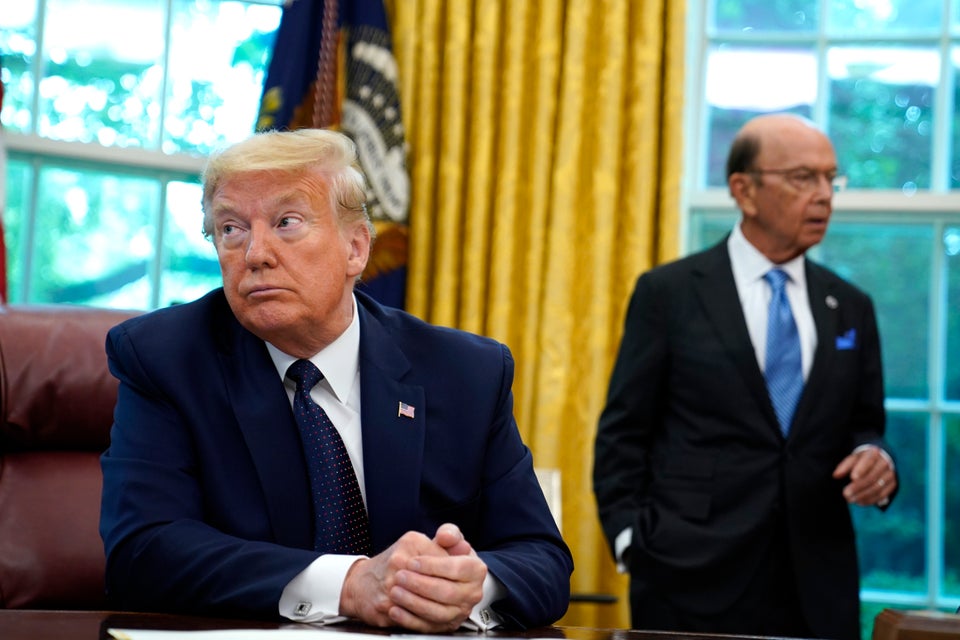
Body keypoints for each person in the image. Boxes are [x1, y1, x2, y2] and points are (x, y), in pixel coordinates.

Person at [99, 128, 573, 632]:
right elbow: (142, 550)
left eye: (287, 222)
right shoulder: (166, 359)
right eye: (231, 229)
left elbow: (542, 557)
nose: (255, 254)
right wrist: (349, 584)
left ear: (356, 248)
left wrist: (465, 586)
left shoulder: (465, 373)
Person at [593, 113, 897, 640]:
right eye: (804, 178)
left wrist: (877, 459)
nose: (825, 195)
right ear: (744, 190)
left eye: (831, 178)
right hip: (688, 577)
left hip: (817, 583)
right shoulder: (670, 293)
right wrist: (629, 540)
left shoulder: (850, 306)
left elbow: (864, 425)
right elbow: (623, 432)